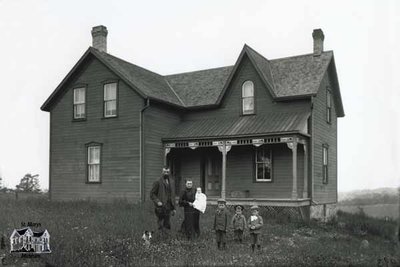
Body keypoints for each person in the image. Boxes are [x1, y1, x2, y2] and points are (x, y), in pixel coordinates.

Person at [150, 167, 176, 235]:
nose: (166, 173)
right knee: (160, 224)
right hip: (160, 206)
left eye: (167, 172)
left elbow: (173, 195)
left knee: (167, 223)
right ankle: (160, 239)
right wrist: (157, 201)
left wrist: (174, 208)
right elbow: (152, 194)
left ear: (169, 172)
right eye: (164, 172)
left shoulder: (172, 181)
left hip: (169, 206)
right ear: (162, 172)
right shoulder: (157, 181)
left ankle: (167, 239)